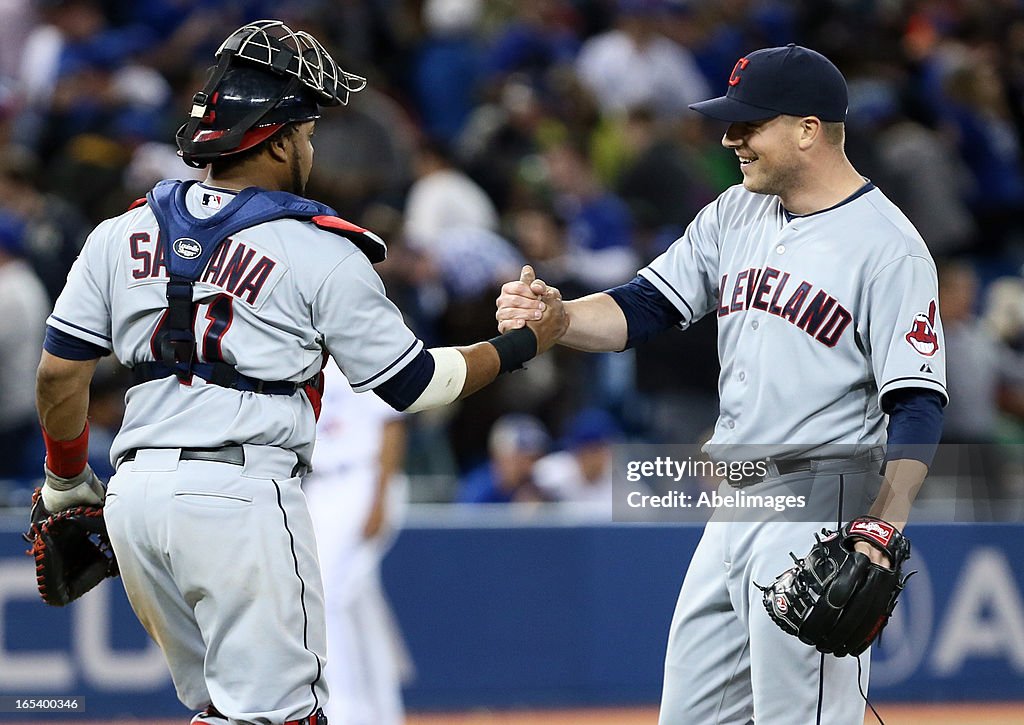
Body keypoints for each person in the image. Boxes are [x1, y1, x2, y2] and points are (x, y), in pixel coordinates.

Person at [34, 20, 564, 725]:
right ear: (277, 137)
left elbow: (58, 375)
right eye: (307, 132)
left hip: (135, 500)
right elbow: (412, 384)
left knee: (221, 707)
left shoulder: (120, 233)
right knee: (284, 714)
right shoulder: (319, 248)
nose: (311, 146)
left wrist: (67, 482)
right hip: (240, 494)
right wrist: (524, 343)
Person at [497, 44, 947, 724]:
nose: (730, 137)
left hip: (820, 500)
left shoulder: (889, 247)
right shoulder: (734, 212)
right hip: (734, 499)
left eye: (749, 123)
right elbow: (644, 306)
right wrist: (557, 320)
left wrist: (880, 529)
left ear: (808, 129)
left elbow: (917, 403)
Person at [303, 361, 410, 725]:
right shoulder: (299, 350)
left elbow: (393, 424)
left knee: (327, 597)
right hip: (319, 486)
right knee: (354, 602)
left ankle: (344, 710)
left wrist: (380, 496)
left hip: (360, 478)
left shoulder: (355, 348)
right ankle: (382, 710)